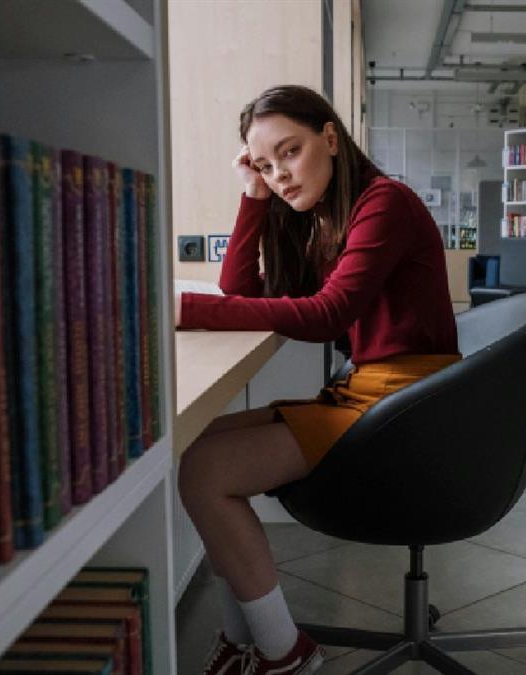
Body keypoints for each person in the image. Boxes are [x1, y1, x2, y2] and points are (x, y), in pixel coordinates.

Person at [175, 85, 460, 675]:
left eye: (290, 151)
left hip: (408, 404)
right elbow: (241, 290)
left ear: (330, 137)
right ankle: (243, 639)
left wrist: (187, 310)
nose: (280, 174)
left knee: (206, 472)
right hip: (372, 392)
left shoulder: (385, 203)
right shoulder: (323, 217)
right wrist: (252, 195)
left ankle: (285, 654)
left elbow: (328, 315)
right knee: (197, 444)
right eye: (264, 164)